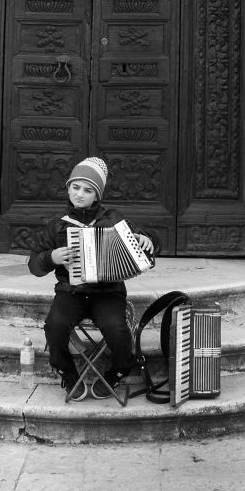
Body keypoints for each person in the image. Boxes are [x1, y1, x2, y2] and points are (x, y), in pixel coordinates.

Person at [27, 156, 158, 401]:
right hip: (71, 292)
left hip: (108, 293)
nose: (80, 194)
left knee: (117, 330)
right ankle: (66, 371)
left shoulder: (113, 219)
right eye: (75, 187)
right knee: (55, 325)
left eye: (88, 190)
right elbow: (34, 264)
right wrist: (51, 257)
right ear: (68, 189)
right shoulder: (57, 226)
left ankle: (117, 371)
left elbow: (145, 242)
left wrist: (147, 240)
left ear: (97, 195)